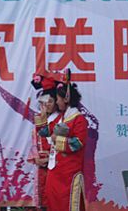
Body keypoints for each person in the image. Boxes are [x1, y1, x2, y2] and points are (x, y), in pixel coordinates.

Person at [44, 81, 88, 211]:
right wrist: (42, 116)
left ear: (66, 99)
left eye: (58, 99)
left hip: (69, 172)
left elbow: (78, 143)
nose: (57, 102)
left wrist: (57, 140)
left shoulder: (79, 119)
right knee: (52, 201)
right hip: (56, 171)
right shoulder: (61, 118)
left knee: (68, 203)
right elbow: (45, 132)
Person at [29, 79, 61, 210]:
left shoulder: (61, 119)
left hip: (55, 165)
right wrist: (36, 157)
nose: (46, 105)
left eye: (50, 101)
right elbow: (34, 142)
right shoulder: (39, 119)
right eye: (44, 101)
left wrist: (51, 159)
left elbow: (62, 143)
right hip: (40, 165)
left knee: (54, 197)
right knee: (41, 197)